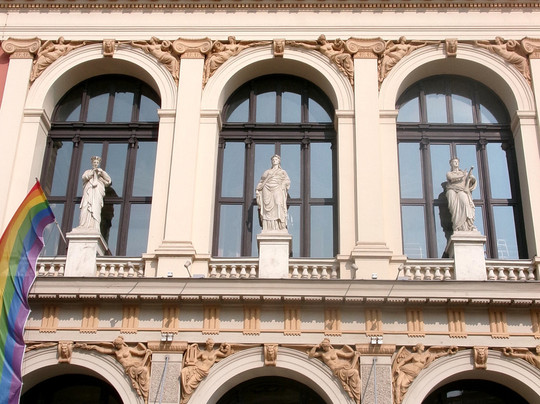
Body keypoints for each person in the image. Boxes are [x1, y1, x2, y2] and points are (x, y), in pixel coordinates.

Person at [78, 336, 151, 403]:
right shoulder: (116, 351)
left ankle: (145, 396)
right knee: (142, 372)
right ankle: (143, 395)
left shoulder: (128, 349)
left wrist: (146, 351)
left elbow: (138, 353)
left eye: (118, 345)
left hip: (134, 365)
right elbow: (103, 350)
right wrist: (94, 347)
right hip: (128, 368)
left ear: (121, 344)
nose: (116, 346)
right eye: (116, 345)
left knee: (144, 370)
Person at [308, 338, 361, 403]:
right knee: (354, 372)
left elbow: (346, 355)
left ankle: (356, 395)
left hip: (342, 368)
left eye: (325, 346)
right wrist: (315, 347)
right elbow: (311, 355)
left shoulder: (335, 351)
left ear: (328, 345)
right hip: (336, 371)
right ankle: (354, 395)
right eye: (323, 347)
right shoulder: (322, 354)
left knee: (355, 372)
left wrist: (354, 353)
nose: (324, 348)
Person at [180, 339, 233, 404]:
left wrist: (228, 347)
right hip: (197, 369)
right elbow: (193, 358)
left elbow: (226, 355)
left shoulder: (215, 352)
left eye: (212, 344)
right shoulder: (202, 352)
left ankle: (185, 400)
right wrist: (192, 347)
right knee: (186, 378)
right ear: (207, 345)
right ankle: (185, 399)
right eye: (210, 344)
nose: (211, 346)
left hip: (203, 372)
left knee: (189, 384)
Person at [256, 155, 291, 231]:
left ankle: (280, 225)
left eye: (276, 159)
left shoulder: (282, 172)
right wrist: (258, 189)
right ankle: (268, 227)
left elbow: (287, 181)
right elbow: (261, 182)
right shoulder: (267, 172)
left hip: (278, 188)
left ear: (279, 161)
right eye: (273, 160)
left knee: (278, 204)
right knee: (267, 207)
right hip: (267, 189)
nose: (274, 161)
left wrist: (283, 184)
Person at [77, 156, 112, 232]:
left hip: (97, 194)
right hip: (88, 193)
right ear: (92, 163)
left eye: (97, 162)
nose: (95, 164)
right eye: (94, 162)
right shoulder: (88, 172)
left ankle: (95, 226)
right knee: (85, 207)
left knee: (95, 208)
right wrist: (92, 173)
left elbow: (108, 180)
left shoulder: (101, 174)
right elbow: (84, 177)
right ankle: (83, 225)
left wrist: (101, 173)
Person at [445, 157, 476, 232]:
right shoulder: (449, 173)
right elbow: (451, 178)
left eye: (457, 161)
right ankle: (457, 226)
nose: (456, 163)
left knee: (465, 203)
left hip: (462, 190)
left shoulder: (463, 173)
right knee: (454, 208)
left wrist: (471, 178)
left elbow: (472, 180)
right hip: (452, 190)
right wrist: (463, 175)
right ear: (451, 164)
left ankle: (468, 226)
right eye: (454, 161)